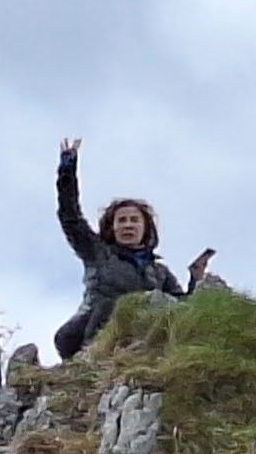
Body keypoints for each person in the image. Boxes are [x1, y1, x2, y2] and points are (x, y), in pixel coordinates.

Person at [51, 142, 210, 357]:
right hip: (87, 332)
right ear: (112, 227)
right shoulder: (98, 253)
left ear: (145, 228)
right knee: (111, 306)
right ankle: (92, 362)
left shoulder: (159, 272)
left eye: (134, 220)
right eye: (122, 220)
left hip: (138, 336)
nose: (128, 225)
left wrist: (195, 279)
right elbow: (70, 217)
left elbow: (179, 306)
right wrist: (67, 169)